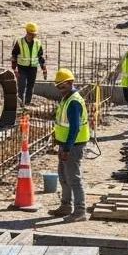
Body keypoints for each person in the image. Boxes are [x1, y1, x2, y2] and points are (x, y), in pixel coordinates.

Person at [49, 68, 88, 222]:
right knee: (63, 176)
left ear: (71, 83)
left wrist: (66, 148)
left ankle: (80, 210)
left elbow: (74, 128)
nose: (59, 89)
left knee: (74, 178)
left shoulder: (74, 102)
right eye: (58, 86)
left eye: (62, 86)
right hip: (65, 144)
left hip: (73, 145)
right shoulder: (66, 98)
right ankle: (66, 205)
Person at [10, 23, 47, 107]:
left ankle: (27, 104)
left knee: (30, 86)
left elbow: (40, 56)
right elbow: (14, 55)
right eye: (32, 34)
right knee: (22, 86)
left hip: (33, 68)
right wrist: (14, 69)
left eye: (34, 34)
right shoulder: (20, 42)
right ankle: (20, 104)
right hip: (22, 68)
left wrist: (44, 69)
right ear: (27, 32)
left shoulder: (37, 43)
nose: (33, 36)